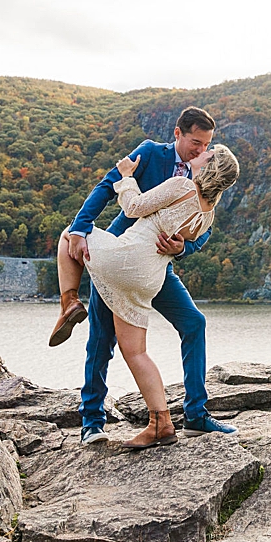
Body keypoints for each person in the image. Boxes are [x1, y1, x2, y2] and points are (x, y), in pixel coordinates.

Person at [50, 106, 240, 446]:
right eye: (196, 142)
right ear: (178, 133)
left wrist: (181, 248)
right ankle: (92, 420)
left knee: (194, 323)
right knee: (101, 338)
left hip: (156, 266)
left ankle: (196, 414)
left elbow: (202, 236)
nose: (201, 150)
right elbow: (106, 187)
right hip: (124, 252)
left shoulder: (207, 185)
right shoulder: (151, 152)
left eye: (207, 144)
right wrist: (80, 228)